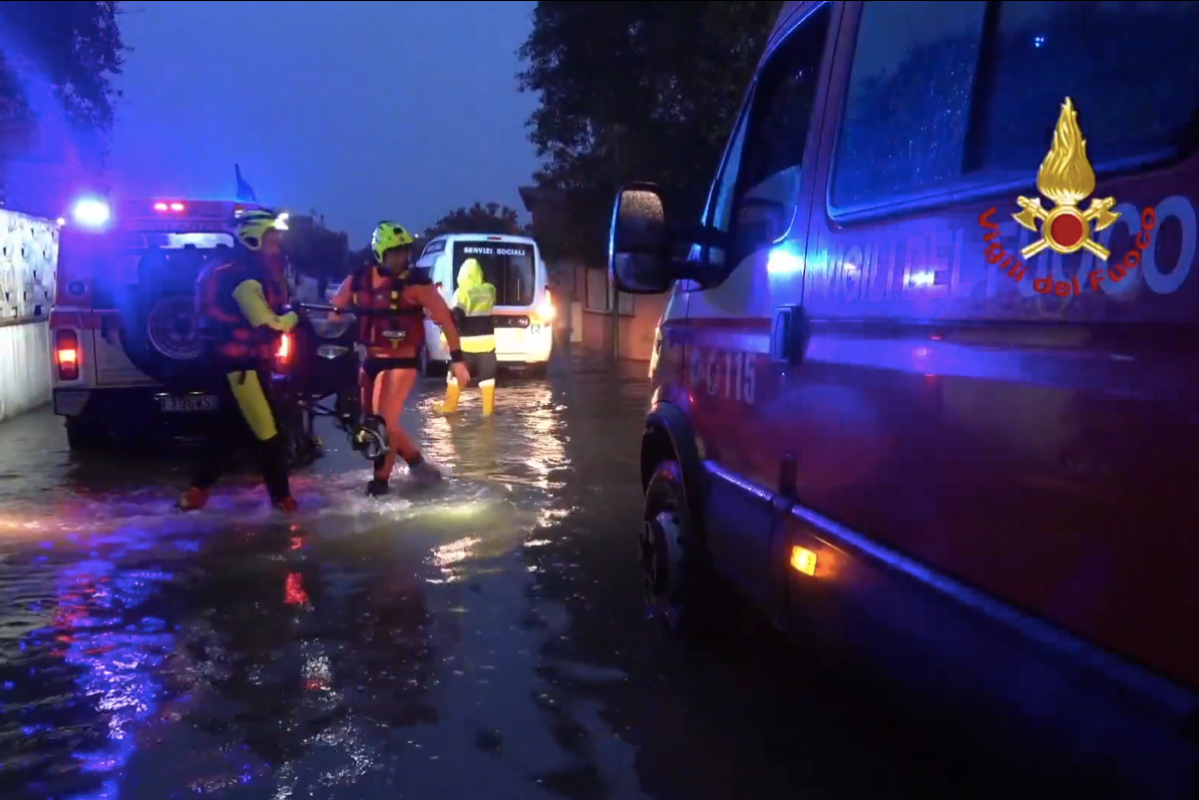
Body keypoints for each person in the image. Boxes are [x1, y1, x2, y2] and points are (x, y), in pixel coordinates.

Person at [330, 221, 470, 496]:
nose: (401, 257)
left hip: (402, 361)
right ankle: (418, 465)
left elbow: (446, 319)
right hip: (370, 360)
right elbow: (334, 315)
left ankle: (380, 485)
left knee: (382, 425)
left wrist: (457, 360)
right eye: (395, 252)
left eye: (404, 251)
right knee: (370, 423)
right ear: (380, 253)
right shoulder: (358, 280)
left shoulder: (417, 283)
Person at [179, 208, 298, 513]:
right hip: (241, 368)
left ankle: (194, 495)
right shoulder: (244, 277)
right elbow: (268, 326)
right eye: (272, 238)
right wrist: (294, 316)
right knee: (269, 434)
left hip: (230, 365)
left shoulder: (225, 268)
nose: (277, 245)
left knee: (226, 432)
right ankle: (284, 506)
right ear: (253, 238)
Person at [437, 258, 498, 416]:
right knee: (487, 379)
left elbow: (455, 317)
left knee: (455, 375)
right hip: (487, 345)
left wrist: (444, 337)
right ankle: (488, 413)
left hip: (466, 345)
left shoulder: (462, 292)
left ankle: (450, 406)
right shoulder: (490, 290)